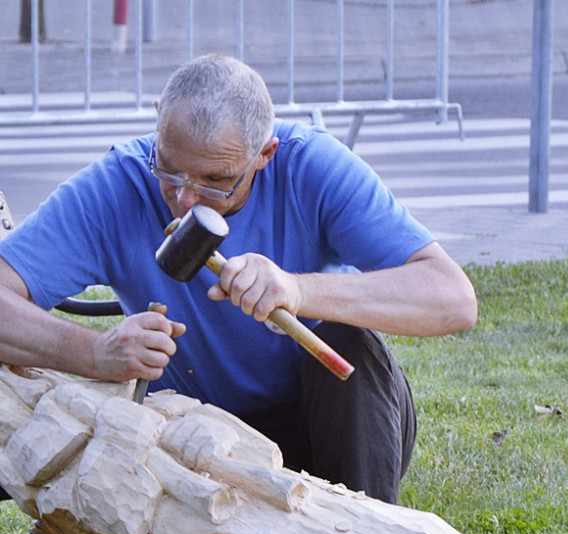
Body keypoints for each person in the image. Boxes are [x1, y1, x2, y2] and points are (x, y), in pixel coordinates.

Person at [0, 54, 477, 505]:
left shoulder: (311, 167)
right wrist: (93, 353)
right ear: (156, 122)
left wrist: (299, 289)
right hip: (197, 439)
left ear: (264, 154)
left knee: (349, 345)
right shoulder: (116, 186)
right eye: (169, 169)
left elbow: (453, 299)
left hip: (331, 427)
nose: (186, 199)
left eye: (215, 181)